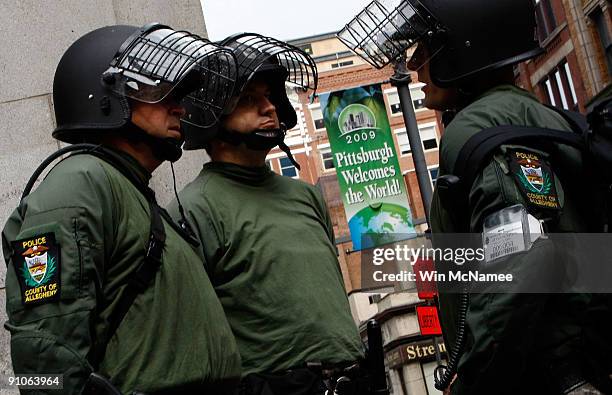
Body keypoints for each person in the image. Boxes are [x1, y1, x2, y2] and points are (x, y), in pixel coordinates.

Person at [2, 23, 242, 394]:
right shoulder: (80, 184)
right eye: (160, 91)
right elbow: (42, 357)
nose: (179, 106)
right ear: (107, 98)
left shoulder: (126, 189)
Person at [394, 0, 612, 393]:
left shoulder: (476, 127)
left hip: (539, 375)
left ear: (465, 48)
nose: (413, 66)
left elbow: (519, 256)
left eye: (426, 50)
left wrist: (474, 375)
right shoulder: (544, 115)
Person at [168, 33, 365, 395]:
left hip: (351, 381)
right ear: (210, 116)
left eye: (269, 97)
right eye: (248, 100)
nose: (270, 107)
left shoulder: (306, 195)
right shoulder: (194, 208)